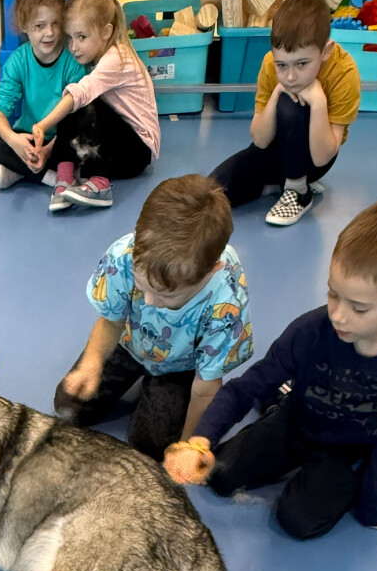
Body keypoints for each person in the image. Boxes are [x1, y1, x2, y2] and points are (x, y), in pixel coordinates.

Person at [165, 197, 377, 541]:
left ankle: (341, 473)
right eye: (333, 294)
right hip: (299, 419)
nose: (338, 315)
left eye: (359, 308)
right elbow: (247, 386)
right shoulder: (310, 331)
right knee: (220, 476)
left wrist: (373, 506)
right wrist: (202, 439)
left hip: (353, 447)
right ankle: (279, 402)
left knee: (297, 521)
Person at [54, 174, 252, 454]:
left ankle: (160, 390)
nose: (148, 301)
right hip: (128, 342)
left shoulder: (225, 301)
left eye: (165, 295)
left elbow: (206, 386)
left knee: (151, 444)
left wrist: (187, 445)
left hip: (179, 365)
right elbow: (111, 320)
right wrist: (92, 363)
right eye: (142, 286)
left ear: (211, 272)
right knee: (69, 405)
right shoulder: (125, 256)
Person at [210, 0, 360, 227]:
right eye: (282, 64)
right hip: (275, 150)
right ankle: (277, 184)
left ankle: (298, 190)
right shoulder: (270, 65)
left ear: (326, 51)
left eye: (302, 64)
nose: (290, 76)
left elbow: (323, 156)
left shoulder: (344, 72)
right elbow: (260, 141)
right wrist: (276, 93)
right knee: (210, 195)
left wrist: (319, 102)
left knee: (291, 105)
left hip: (313, 161)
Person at [31, 0, 159, 212]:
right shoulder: (98, 56)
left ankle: (99, 183)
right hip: (115, 147)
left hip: (138, 152)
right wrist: (51, 148)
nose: (73, 47)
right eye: (70, 38)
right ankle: (65, 179)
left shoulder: (116, 58)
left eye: (81, 37)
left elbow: (80, 97)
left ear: (106, 31)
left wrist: (43, 125)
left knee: (81, 99)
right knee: (73, 99)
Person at [0, 0, 85, 192]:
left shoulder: (72, 60)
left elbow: (79, 114)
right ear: (24, 25)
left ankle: (19, 171)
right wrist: (15, 143)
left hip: (62, 144)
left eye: (55, 23)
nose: (50, 33)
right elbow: (0, 116)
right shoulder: (18, 61)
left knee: (85, 137)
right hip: (28, 141)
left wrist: (48, 149)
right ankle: (49, 177)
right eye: (39, 26)